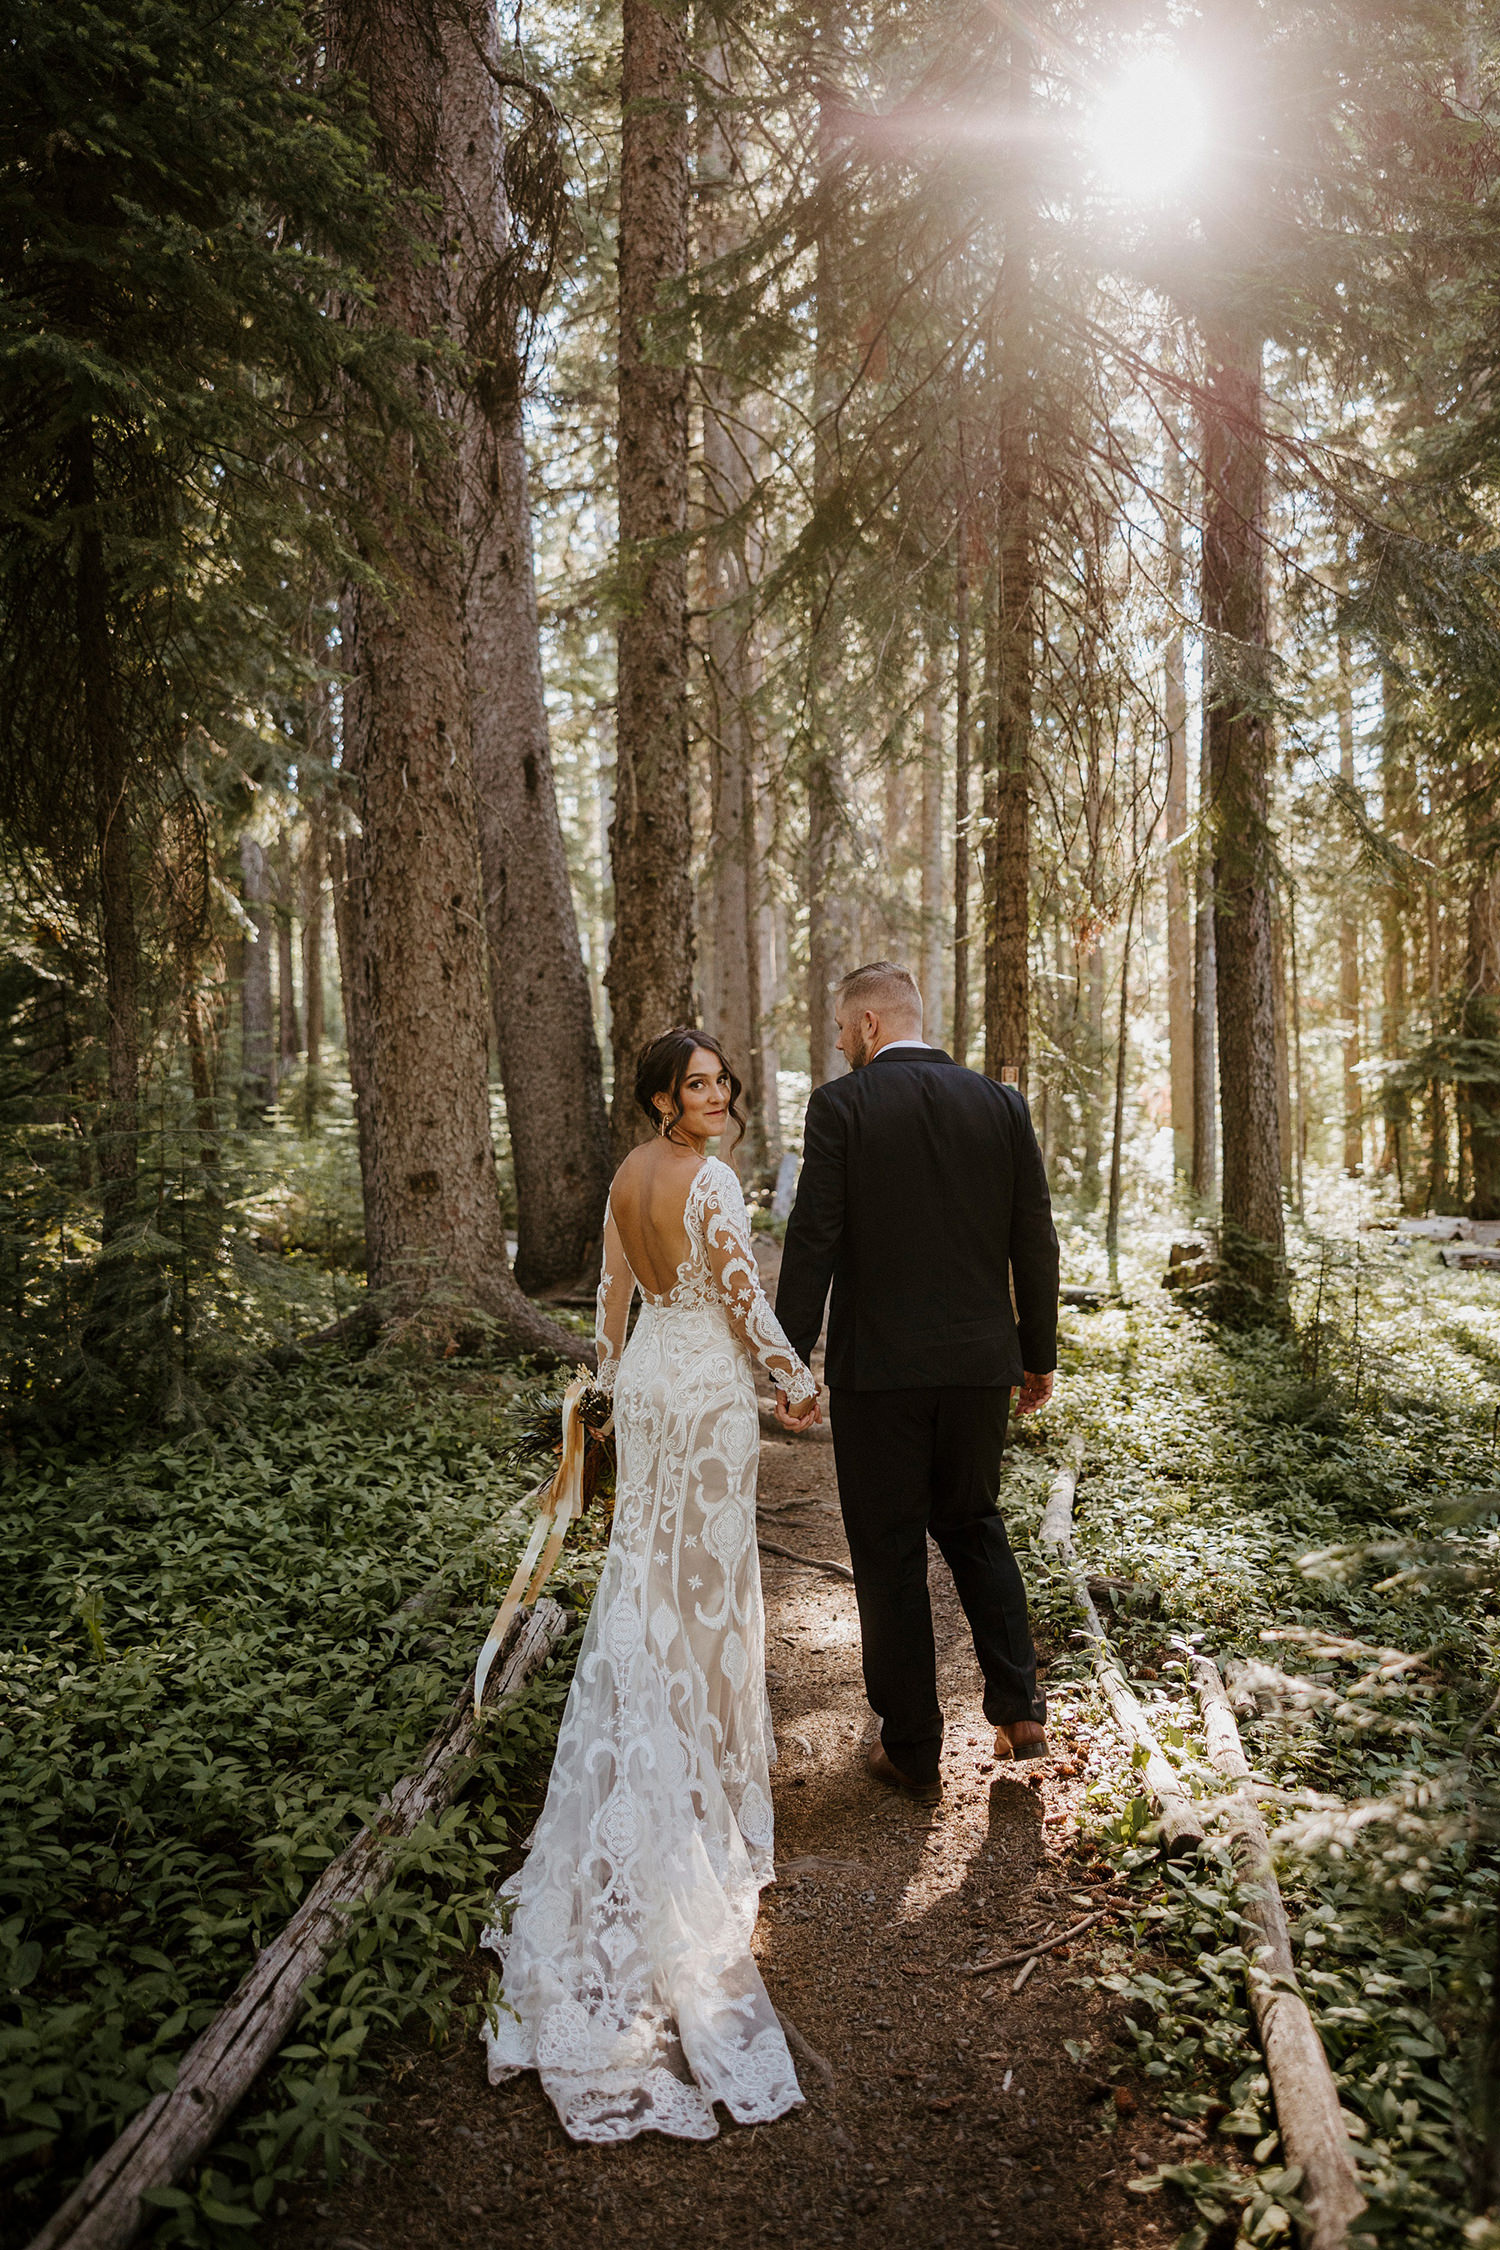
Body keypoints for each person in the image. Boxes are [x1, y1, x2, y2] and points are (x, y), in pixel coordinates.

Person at [482, 1028, 820, 2143]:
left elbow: (611, 1301)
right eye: (694, 1084)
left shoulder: (630, 1175)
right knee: (712, 1588)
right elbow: (740, 1295)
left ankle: (663, 1738)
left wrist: (612, 1389)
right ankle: (715, 1796)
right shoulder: (710, 1178)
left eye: (721, 1082)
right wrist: (794, 1379)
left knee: (652, 1575)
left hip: (651, 1388)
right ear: (661, 1096)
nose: (712, 1096)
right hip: (712, 1389)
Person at [774, 961, 1059, 1801]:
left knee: (890, 1550)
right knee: (974, 1521)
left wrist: (793, 1366)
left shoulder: (841, 1107)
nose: (835, 1043)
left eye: (838, 1028)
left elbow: (813, 1242)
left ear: (867, 1026)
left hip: (881, 1373)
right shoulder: (1001, 1105)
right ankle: (1019, 1708)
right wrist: (1035, 1353)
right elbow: (1033, 1240)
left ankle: (913, 1749)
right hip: (979, 1366)